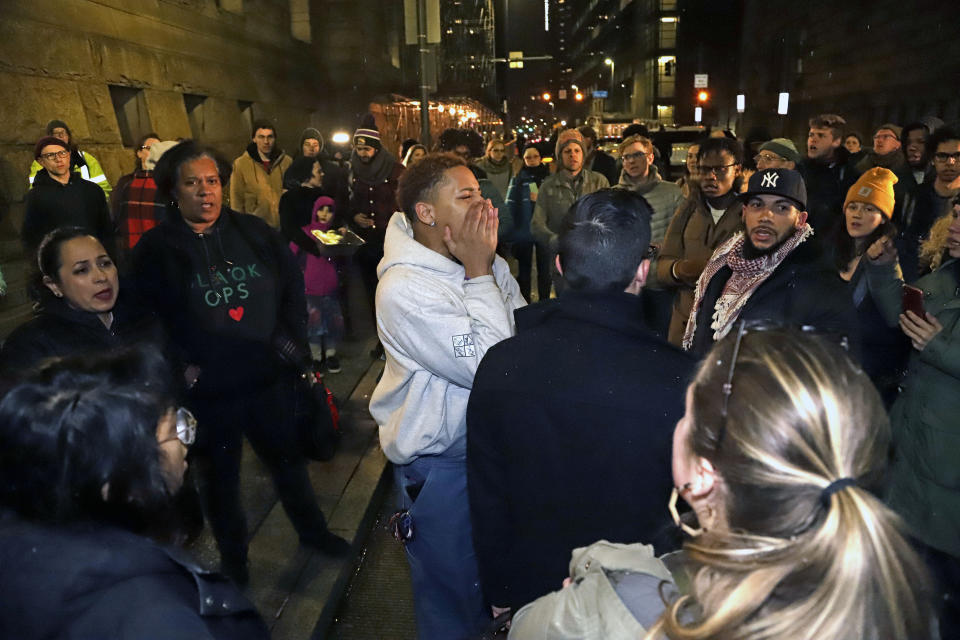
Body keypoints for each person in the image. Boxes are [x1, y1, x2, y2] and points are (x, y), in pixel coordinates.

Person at [507, 328, 933, 640]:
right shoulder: (903, 604)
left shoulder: (610, 606)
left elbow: (522, 630)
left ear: (702, 475)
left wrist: (593, 590)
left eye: (688, 416)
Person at [132, 140, 349, 586]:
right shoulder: (156, 248)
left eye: (212, 181)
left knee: (288, 464)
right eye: (192, 183)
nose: (205, 192)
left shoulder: (252, 232)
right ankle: (235, 562)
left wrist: (288, 342)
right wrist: (181, 369)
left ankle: (314, 533)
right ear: (174, 190)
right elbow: (145, 318)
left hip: (266, 379)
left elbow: (290, 287)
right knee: (220, 484)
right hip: (209, 393)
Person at [468, 189, 694, 616]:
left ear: (558, 266)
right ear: (643, 271)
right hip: (638, 603)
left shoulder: (502, 364)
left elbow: (487, 496)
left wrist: (500, 594)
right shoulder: (681, 380)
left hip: (534, 599)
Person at [0, 351, 271, 639]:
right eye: (172, 431)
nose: (185, 442)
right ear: (115, 473)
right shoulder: (154, 618)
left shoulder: (26, 539)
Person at [370, 153, 525, 639]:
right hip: (441, 466)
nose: (483, 205)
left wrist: (484, 269)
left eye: (481, 193)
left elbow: (520, 338)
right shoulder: (403, 288)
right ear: (427, 213)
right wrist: (480, 273)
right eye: (466, 196)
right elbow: (490, 367)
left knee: (493, 584)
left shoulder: (486, 262)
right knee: (451, 596)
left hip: (488, 452)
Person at [865, 200, 960, 632]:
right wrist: (886, 270)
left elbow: (932, 342)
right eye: (956, 215)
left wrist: (939, 349)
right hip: (914, 449)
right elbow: (906, 316)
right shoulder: (947, 279)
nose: (956, 226)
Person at [683, 168, 857, 355]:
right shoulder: (721, 265)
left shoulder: (818, 281)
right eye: (757, 205)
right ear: (744, 212)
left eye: (781, 208)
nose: (766, 216)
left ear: (800, 219)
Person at [1, 228, 163, 377]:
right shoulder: (32, 345)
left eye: (105, 263)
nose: (101, 276)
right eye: (81, 270)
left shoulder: (143, 318)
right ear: (54, 285)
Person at [831, 168, 909, 406]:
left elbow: (895, 317)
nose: (858, 215)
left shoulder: (892, 257)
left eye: (869, 209)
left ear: (884, 217)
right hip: (827, 374)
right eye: (853, 207)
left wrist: (884, 268)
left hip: (866, 385)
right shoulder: (829, 252)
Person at [656, 137, 744, 346]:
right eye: (704, 169)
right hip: (685, 325)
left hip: (726, 327)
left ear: (737, 169)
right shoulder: (688, 209)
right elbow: (662, 267)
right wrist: (681, 269)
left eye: (720, 169)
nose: (711, 177)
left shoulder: (748, 212)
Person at [614, 134, 684, 337]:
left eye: (637, 155)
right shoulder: (614, 195)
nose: (631, 161)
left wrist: (658, 247)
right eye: (626, 157)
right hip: (626, 283)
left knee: (662, 339)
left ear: (650, 158)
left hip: (660, 282)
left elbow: (682, 236)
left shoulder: (672, 193)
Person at [531, 129, 610, 294]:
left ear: (583, 154)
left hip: (595, 262)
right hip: (563, 263)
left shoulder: (599, 182)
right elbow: (537, 223)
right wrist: (554, 240)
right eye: (567, 151)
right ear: (560, 156)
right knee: (568, 310)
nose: (572, 155)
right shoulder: (548, 186)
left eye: (577, 150)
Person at [348, 121, 405, 336]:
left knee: (391, 288)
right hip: (364, 240)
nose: (362, 153)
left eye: (367, 149)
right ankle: (380, 334)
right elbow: (346, 198)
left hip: (389, 238)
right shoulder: (351, 168)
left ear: (377, 148)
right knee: (371, 289)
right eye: (359, 148)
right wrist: (354, 216)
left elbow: (402, 201)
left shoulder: (394, 169)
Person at [22, 135, 115, 257]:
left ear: (69, 155)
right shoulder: (36, 196)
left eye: (62, 153)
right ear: (41, 161)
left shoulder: (92, 190)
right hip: (61, 262)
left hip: (95, 256)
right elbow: (31, 237)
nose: (58, 159)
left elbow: (106, 229)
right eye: (50, 155)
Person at [289, 196, 345, 373]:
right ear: (314, 210)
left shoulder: (334, 235)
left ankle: (330, 354)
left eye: (329, 211)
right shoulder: (305, 233)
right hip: (310, 288)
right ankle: (316, 356)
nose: (325, 214)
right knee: (314, 324)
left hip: (330, 288)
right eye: (321, 209)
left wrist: (342, 238)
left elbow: (344, 257)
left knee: (331, 323)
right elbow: (290, 256)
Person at [898, 126, 960, 281]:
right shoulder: (915, 196)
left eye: (957, 156)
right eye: (942, 156)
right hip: (914, 279)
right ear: (932, 159)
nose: (950, 163)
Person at [110, 132, 169, 268]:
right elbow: (117, 214)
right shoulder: (126, 183)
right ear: (139, 153)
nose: (154, 152)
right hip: (132, 251)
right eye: (149, 148)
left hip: (161, 251)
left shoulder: (168, 183)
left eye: (158, 149)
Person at [504, 144, 552, 302]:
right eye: (528, 157)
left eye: (535, 156)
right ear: (523, 160)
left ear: (540, 157)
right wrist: (510, 230)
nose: (532, 160)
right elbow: (511, 204)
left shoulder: (549, 176)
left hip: (545, 229)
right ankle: (525, 303)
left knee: (545, 269)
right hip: (524, 229)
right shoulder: (519, 177)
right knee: (524, 270)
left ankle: (544, 302)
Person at [799, 113, 857, 239]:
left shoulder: (849, 173)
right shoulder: (799, 169)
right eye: (811, 135)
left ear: (836, 141)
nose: (813, 140)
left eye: (821, 135)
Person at [229, 119, 292, 227]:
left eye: (270, 137)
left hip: (284, 226)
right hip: (256, 227)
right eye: (261, 137)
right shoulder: (241, 164)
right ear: (254, 139)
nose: (266, 142)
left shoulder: (287, 162)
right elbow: (236, 199)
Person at [27, 119, 111, 199]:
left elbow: (102, 187)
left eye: (62, 133)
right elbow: (36, 192)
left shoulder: (85, 159)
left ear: (68, 136)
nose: (60, 137)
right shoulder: (42, 162)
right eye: (55, 134)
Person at [279, 155, 330, 256]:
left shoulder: (323, 196)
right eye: (318, 172)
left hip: (319, 253)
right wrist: (314, 247)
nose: (323, 174)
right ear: (306, 174)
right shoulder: (290, 198)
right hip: (297, 253)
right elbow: (290, 229)